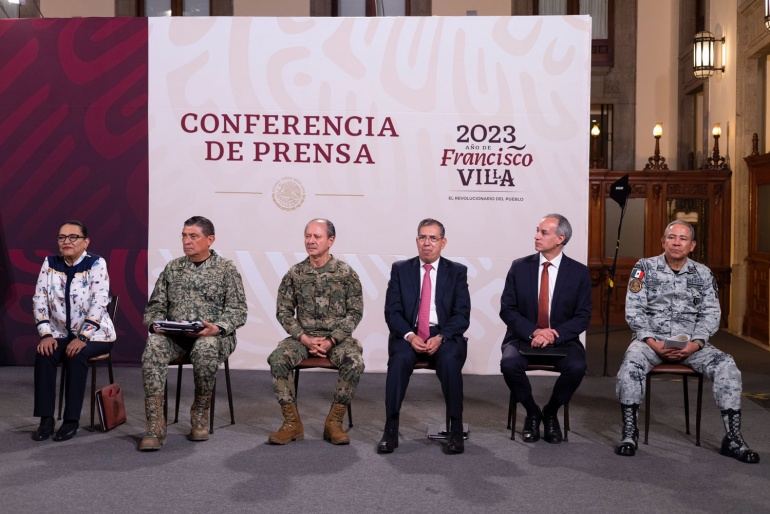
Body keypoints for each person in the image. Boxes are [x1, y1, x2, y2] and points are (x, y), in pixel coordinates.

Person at [615, 220, 759, 463]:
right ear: (663, 242)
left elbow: (711, 314)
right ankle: (630, 432)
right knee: (630, 364)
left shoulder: (703, 274)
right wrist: (652, 341)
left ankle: (733, 438)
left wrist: (696, 344)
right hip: (651, 342)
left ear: (692, 245)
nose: (676, 243)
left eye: (683, 239)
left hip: (691, 344)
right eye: (671, 237)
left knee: (727, 365)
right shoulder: (644, 268)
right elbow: (634, 310)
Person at [139, 216, 247, 451]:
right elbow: (155, 307)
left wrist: (217, 328)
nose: (187, 241)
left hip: (214, 337)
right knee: (154, 345)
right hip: (176, 338)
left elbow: (238, 311)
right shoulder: (173, 268)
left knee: (205, 348)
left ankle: (199, 414)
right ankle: (155, 424)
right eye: (184, 236)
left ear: (210, 239)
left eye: (193, 236)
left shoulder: (226, 269)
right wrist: (155, 325)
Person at [267, 218, 365, 445]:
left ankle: (334, 423)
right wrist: (303, 338)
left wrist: (332, 339)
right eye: (308, 236)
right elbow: (283, 311)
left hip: (337, 339)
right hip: (303, 338)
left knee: (354, 362)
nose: (311, 241)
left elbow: (355, 312)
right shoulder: (295, 273)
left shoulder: (345, 273)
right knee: (277, 358)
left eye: (317, 237)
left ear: (331, 241)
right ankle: (292, 424)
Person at [378, 218, 471, 454]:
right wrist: (410, 336)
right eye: (422, 237)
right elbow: (392, 311)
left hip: (443, 335)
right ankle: (390, 429)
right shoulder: (401, 270)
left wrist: (441, 337)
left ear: (443, 242)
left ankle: (455, 428)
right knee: (399, 361)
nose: (427, 243)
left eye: (433, 238)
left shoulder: (457, 272)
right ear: (417, 240)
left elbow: (462, 315)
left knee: (449, 361)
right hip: (410, 334)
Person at [499, 214, 591, 444]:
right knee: (509, 364)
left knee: (577, 367)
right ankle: (532, 412)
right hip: (523, 337)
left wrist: (553, 334)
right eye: (537, 231)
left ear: (560, 238)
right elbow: (507, 309)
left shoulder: (579, 272)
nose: (536, 236)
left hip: (562, 339)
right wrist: (534, 332)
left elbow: (583, 316)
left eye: (543, 232)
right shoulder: (519, 267)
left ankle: (550, 412)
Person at [32, 220, 116, 442]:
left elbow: (100, 302)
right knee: (44, 354)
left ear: (86, 242)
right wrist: (46, 334)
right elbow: (40, 299)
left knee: (77, 354)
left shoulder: (96, 263)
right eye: (62, 237)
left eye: (73, 237)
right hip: (60, 332)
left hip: (96, 334)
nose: (66, 241)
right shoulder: (50, 263)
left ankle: (71, 420)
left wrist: (83, 337)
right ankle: (46, 419)